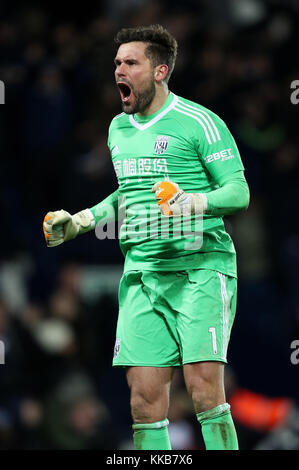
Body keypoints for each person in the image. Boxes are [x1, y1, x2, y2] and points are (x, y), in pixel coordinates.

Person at [43, 24, 250, 451]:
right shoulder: (119, 129)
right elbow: (128, 194)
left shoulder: (199, 122)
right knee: (143, 401)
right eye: (117, 62)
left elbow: (238, 191)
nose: (119, 69)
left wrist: (191, 202)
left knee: (204, 389)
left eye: (130, 62)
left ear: (160, 70)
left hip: (200, 269)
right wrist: (81, 220)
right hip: (142, 273)